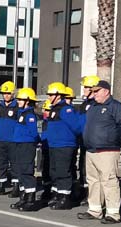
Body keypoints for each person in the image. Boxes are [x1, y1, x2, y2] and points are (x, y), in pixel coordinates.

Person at [77, 80, 121, 224]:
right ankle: (95, 209)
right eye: (93, 91)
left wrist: (112, 139)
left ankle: (113, 212)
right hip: (91, 150)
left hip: (107, 150)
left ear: (106, 91)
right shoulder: (92, 107)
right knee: (93, 181)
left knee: (109, 181)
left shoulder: (115, 106)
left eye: (96, 91)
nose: (94, 94)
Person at [43, 82, 80, 210]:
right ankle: (58, 194)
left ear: (58, 95)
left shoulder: (66, 109)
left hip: (64, 145)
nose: (49, 97)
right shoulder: (54, 108)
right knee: (55, 171)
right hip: (54, 145)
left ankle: (65, 198)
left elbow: (76, 126)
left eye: (51, 94)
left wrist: (68, 138)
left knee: (63, 171)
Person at [10, 88, 39, 211]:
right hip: (19, 144)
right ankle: (23, 197)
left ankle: (30, 200)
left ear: (27, 100)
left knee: (27, 171)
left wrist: (33, 141)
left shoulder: (30, 115)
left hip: (27, 145)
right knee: (20, 171)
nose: (18, 101)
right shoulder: (21, 113)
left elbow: (33, 132)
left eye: (20, 99)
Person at [0, 81, 19, 196]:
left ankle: (16, 186)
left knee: (14, 163)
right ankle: (1, 185)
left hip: (13, 140)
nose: (6, 95)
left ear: (13, 94)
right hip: (1, 139)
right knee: (1, 163)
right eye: (4, 93)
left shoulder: (17, 107)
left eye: (8, 93)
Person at [77, 75, 100, 206]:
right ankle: (83, 191)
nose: (84, 89)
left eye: (86, 87)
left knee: (91, 170)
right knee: (82, 168)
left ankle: (90, 195)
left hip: (92, 142)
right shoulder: (84, 104)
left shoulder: (95, 104)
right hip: (83, 141)